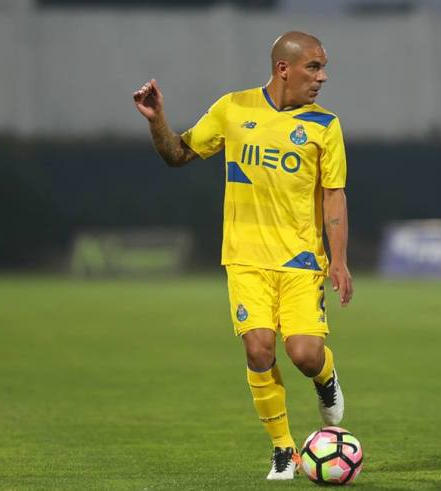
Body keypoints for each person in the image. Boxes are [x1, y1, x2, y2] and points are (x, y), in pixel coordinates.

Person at [133, 31, 353, 481]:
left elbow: (334, 195)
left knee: (305, 354)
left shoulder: (324, 126)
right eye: (314, 67)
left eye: (323, 68)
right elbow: (178, 153)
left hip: (300, 259)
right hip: (245, 258)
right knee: (258, 348)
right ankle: (283, 449)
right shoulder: (233, 108)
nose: (322, 78)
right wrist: (157, 120)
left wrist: (339, 259)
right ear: (283, 69)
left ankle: (325, 378)